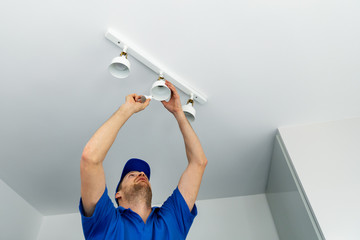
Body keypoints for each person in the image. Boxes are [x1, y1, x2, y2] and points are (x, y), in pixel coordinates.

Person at [79, 80, 208, 240]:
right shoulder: (106, 222)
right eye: (131, 175)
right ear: (118, 194)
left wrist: (178, 113)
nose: (141, 173)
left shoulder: (170, 221)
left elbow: (199, 162)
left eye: (142, 174)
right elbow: (90, 158)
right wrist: (126, 110)